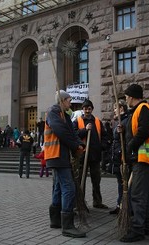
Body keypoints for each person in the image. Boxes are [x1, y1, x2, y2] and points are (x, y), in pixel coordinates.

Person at [120, 84, 149, 242]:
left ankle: (137, 230)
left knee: (137, 195)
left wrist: (130, 146)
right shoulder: (136, 111)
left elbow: (143, 131)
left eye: (126, 96)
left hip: (143, 159)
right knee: (142, 194)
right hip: (140, 158)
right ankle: (146, 226)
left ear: (132, 96)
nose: (126, 99)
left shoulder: (143, 108)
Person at [45, 90, 86, 238]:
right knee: (69, 188)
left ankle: (56, 220)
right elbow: (61, 131)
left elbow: (72, 132)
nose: (70, 102)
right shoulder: (53, 112)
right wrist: (75, 146)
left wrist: (79, 143)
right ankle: (68, 225)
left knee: (58, 187)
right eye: (68, 100)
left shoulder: (65, 115)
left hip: (61, 156)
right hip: (56, 155)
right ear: (62, 101)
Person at [73, 99, 109, 209]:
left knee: (96, 180)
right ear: (82, 109)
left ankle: (97, 201)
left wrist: (102, 146)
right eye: (85, 108)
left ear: (92, 109)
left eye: (89, 108)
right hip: (82, 155)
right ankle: (80, 202)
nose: (87, 110)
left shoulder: (97, 121)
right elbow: (74, 135)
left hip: (95, 155)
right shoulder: (77, 121)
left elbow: (104, 136)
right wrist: (85, 129)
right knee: (81, 180)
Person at [108, 99, 129, 215]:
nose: (114, 110)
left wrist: (123, 131)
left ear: (121, 109)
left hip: (123, 156)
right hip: (116, 155)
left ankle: (124, 205)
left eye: (115, 108)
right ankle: (119, 203)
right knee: (119, 182)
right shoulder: (116, 121)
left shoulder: (126, 120)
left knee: (124, 182)